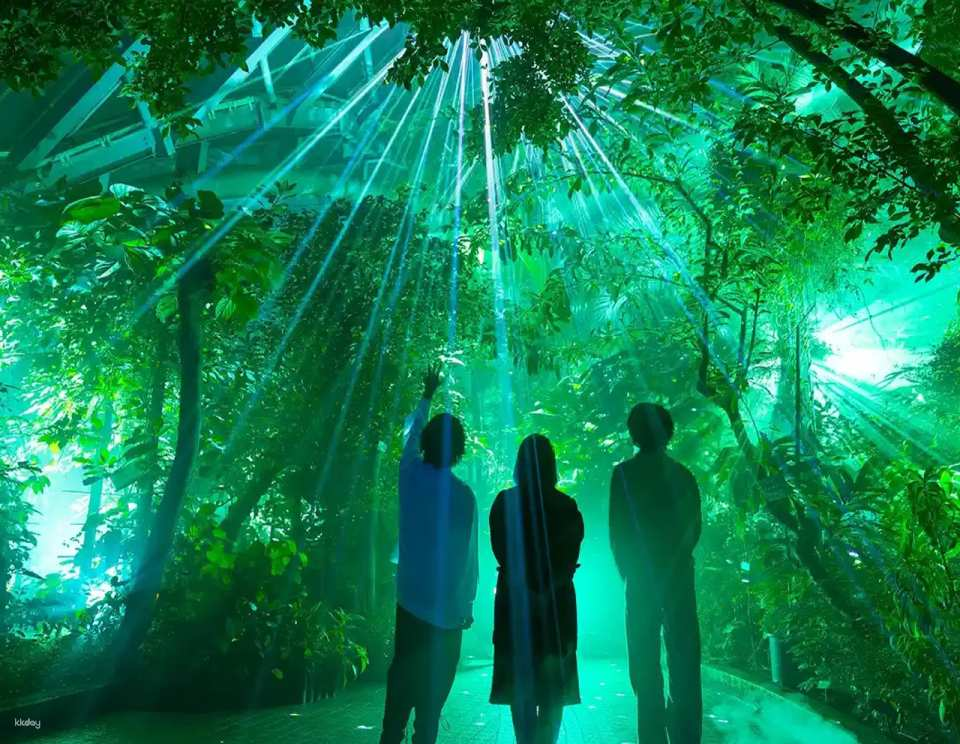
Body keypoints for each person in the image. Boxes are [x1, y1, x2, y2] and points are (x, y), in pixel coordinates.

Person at [379, 366, 479, 744]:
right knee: (431, 705)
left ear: (427, 444)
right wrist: (465, 604)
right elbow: (467, 559)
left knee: (400, 684)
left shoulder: (410, 476)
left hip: (410, 602)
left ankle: (390, 736)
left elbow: (409, 436)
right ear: (459, 451)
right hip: (446, 612)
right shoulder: (463, 496)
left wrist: (427, 393)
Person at [610, 403, 702, 744]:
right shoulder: (683, 475)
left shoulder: (623, 475)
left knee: (644, 662)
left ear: (634, 435)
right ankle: (686, 735)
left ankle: (651, 736)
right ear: (669, 433)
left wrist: (630, 571)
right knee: (685, 659)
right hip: (678, 577)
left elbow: (617, 530)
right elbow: (694, 529)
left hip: (641, 580)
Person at [489, 434, 584, 744]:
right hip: (557, 612)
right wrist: (547, 587)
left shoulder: (504, 503)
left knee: (520, 689)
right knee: (553, 691)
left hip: (515, 609)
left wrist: (524, 585)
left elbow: (501, 551)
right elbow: (569, 560)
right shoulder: (568, 507)